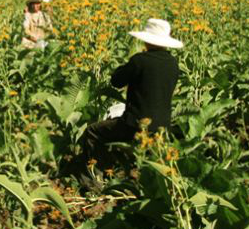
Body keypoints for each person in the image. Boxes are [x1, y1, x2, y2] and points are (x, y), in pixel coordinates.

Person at [62, 18, 182, 188]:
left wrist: (123, 67)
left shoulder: (140, 60)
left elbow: (116, 81)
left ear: (147, 39)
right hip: (163, 126)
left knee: (93, 132)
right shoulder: (173, 63)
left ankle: (94, 182)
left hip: (134, 124)